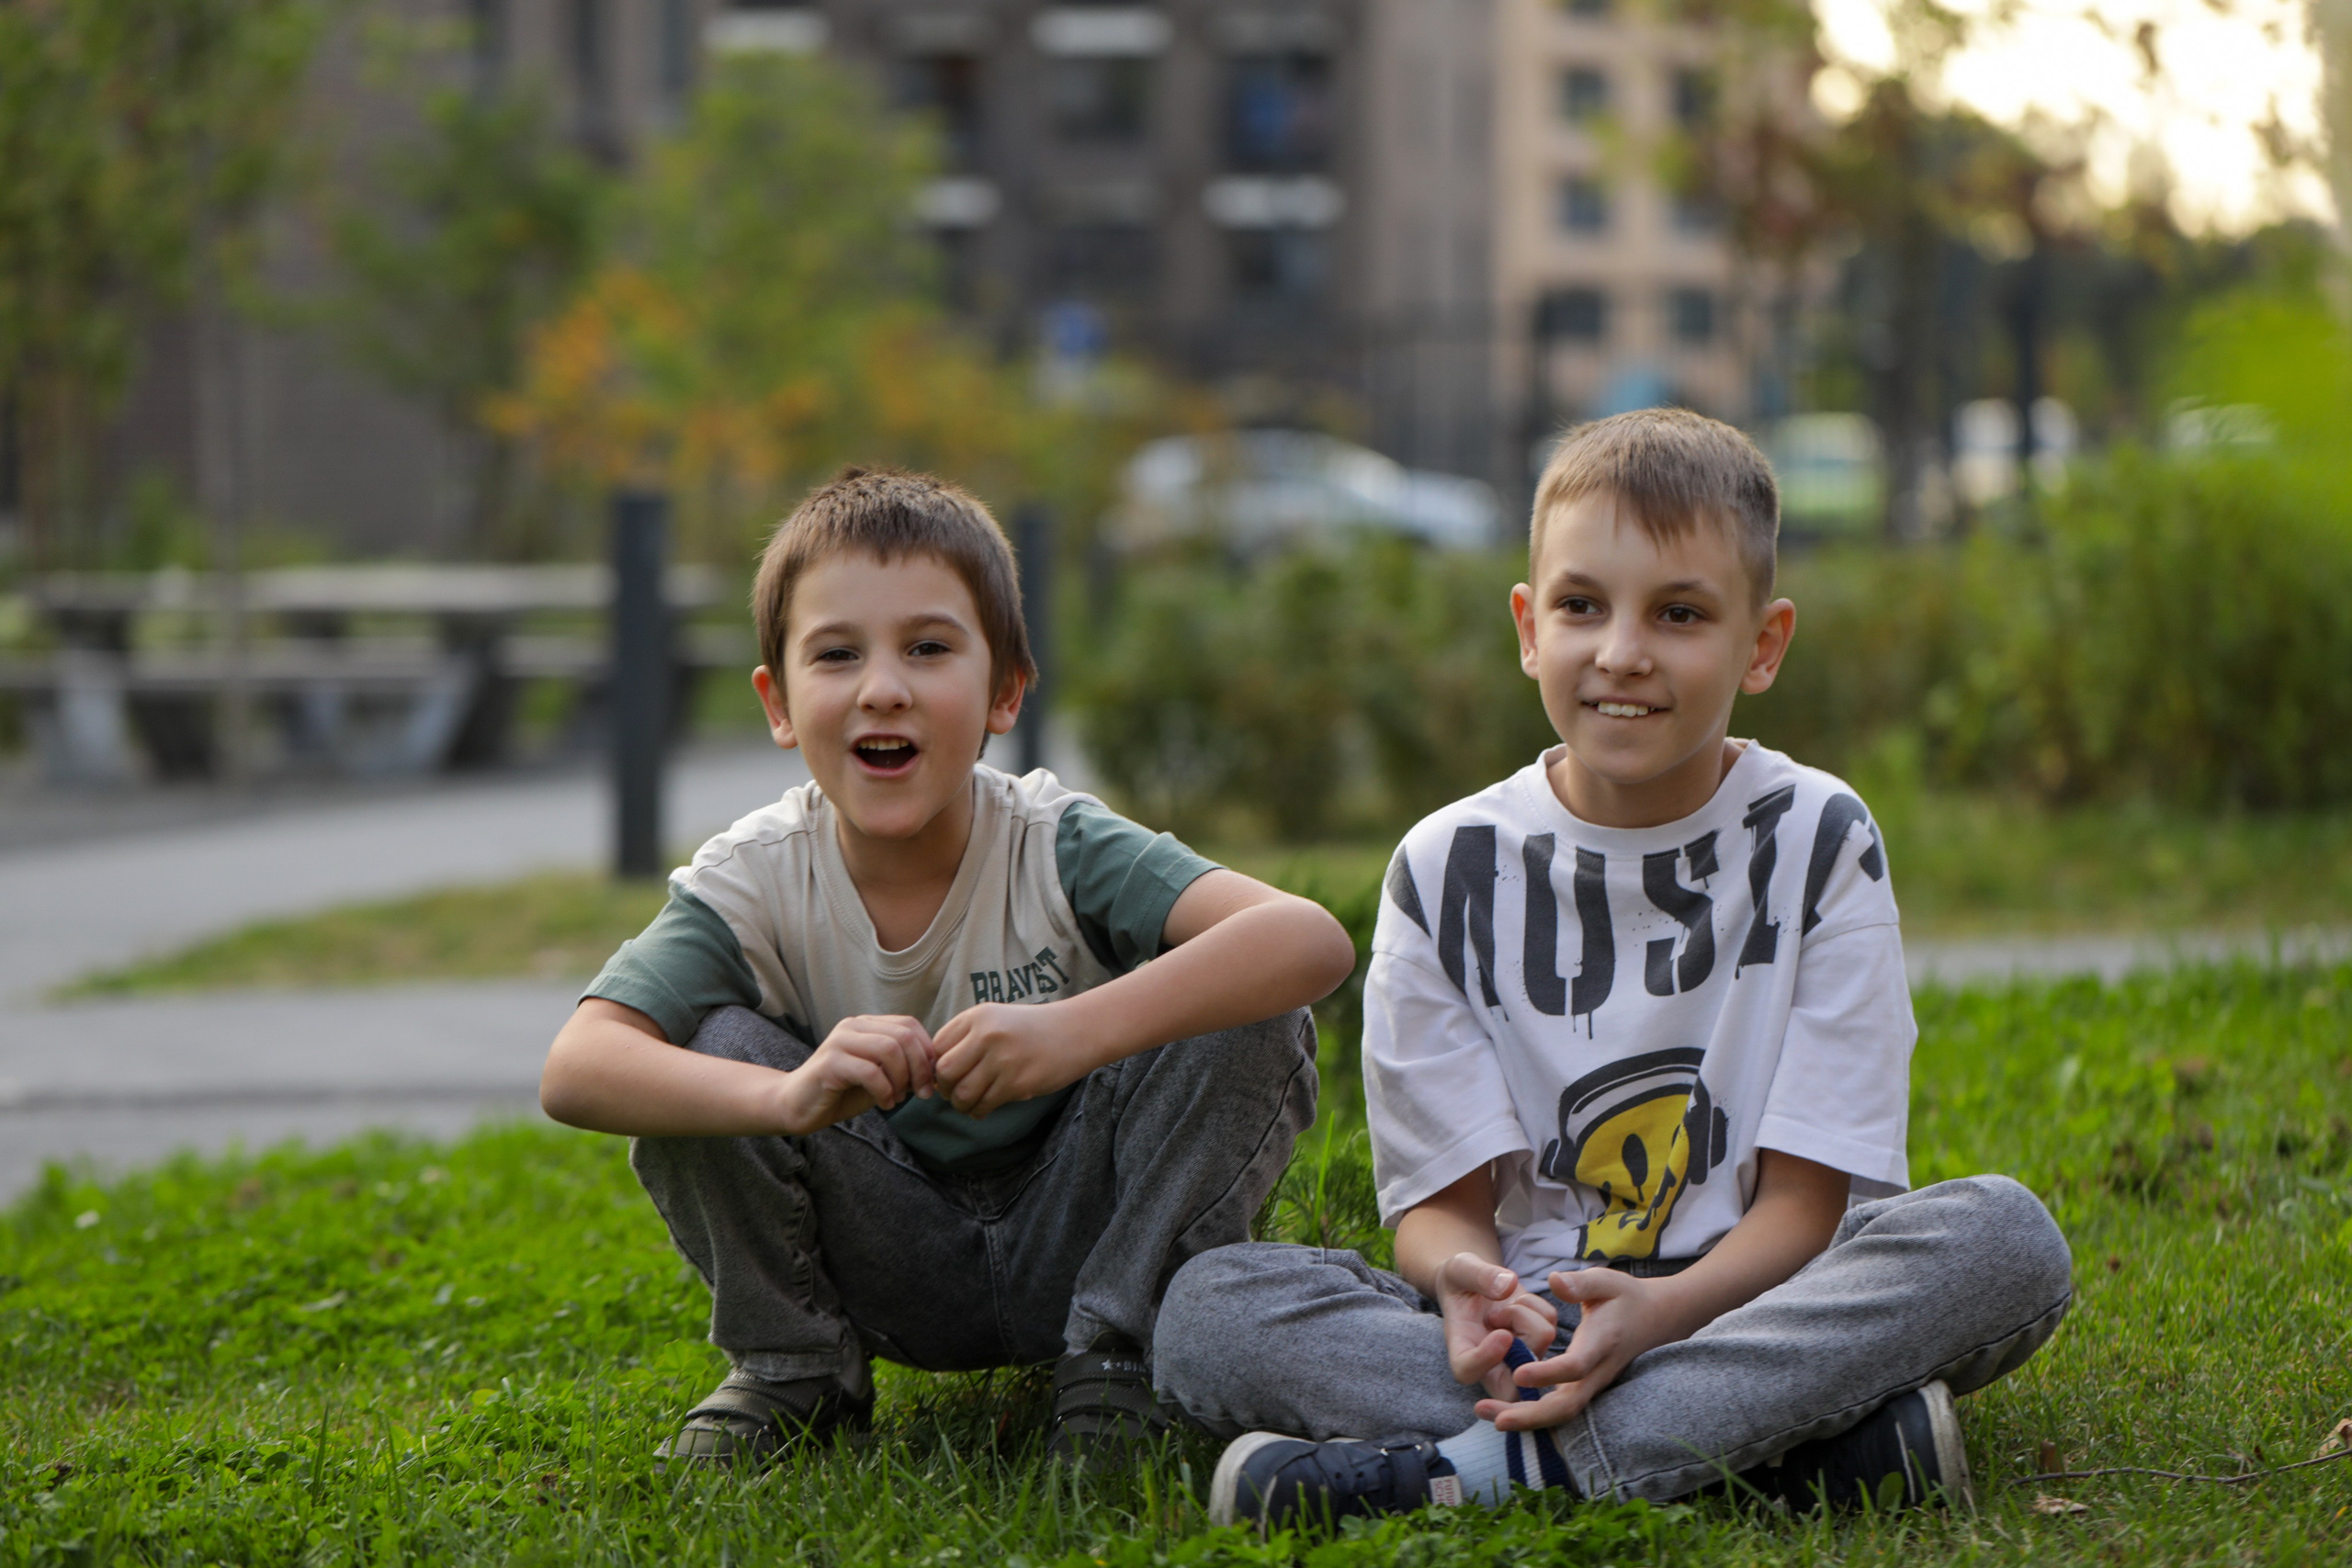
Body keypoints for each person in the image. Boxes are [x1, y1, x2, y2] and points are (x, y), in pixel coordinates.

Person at [1151, 409, 2075, 1528]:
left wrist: (1662, 1316)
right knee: (1208, 1307)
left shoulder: (1818, 838)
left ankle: (1481, 1475)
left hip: (1761, 1298)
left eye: (1678, 613)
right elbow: (1441, 1215)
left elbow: (1803, 1206)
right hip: (1536, 1325)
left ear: (1762, 644)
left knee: (2001, 1239)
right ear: (1527, 626)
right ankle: (1792, 1453)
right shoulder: (1444, 868)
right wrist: (1467, 1289)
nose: (1621, 651)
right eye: (1582, 606)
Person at [540, 468, 1355, 1472]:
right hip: (884, 1253)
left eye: (928, 648)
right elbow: (577, 1067)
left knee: (1245, 1000)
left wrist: (1073, 1033)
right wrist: (789, 1096)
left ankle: (1118, 1358)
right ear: (778, 703)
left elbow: (1308, 940)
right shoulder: (751, 877)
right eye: (836, 653)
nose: (883, 686)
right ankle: (797, 1366)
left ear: (1004, 689)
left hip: (1090, 1237)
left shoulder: (1056, 842)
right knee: (711, 1049)